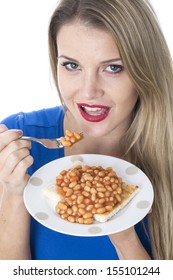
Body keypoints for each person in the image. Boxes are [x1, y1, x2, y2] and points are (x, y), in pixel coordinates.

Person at [0, 0, 173, 260]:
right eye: (72, 65)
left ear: (145, 71)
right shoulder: (17, 140)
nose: (89, 92)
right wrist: (13, 194)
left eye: (113, 68)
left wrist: (125, 239)